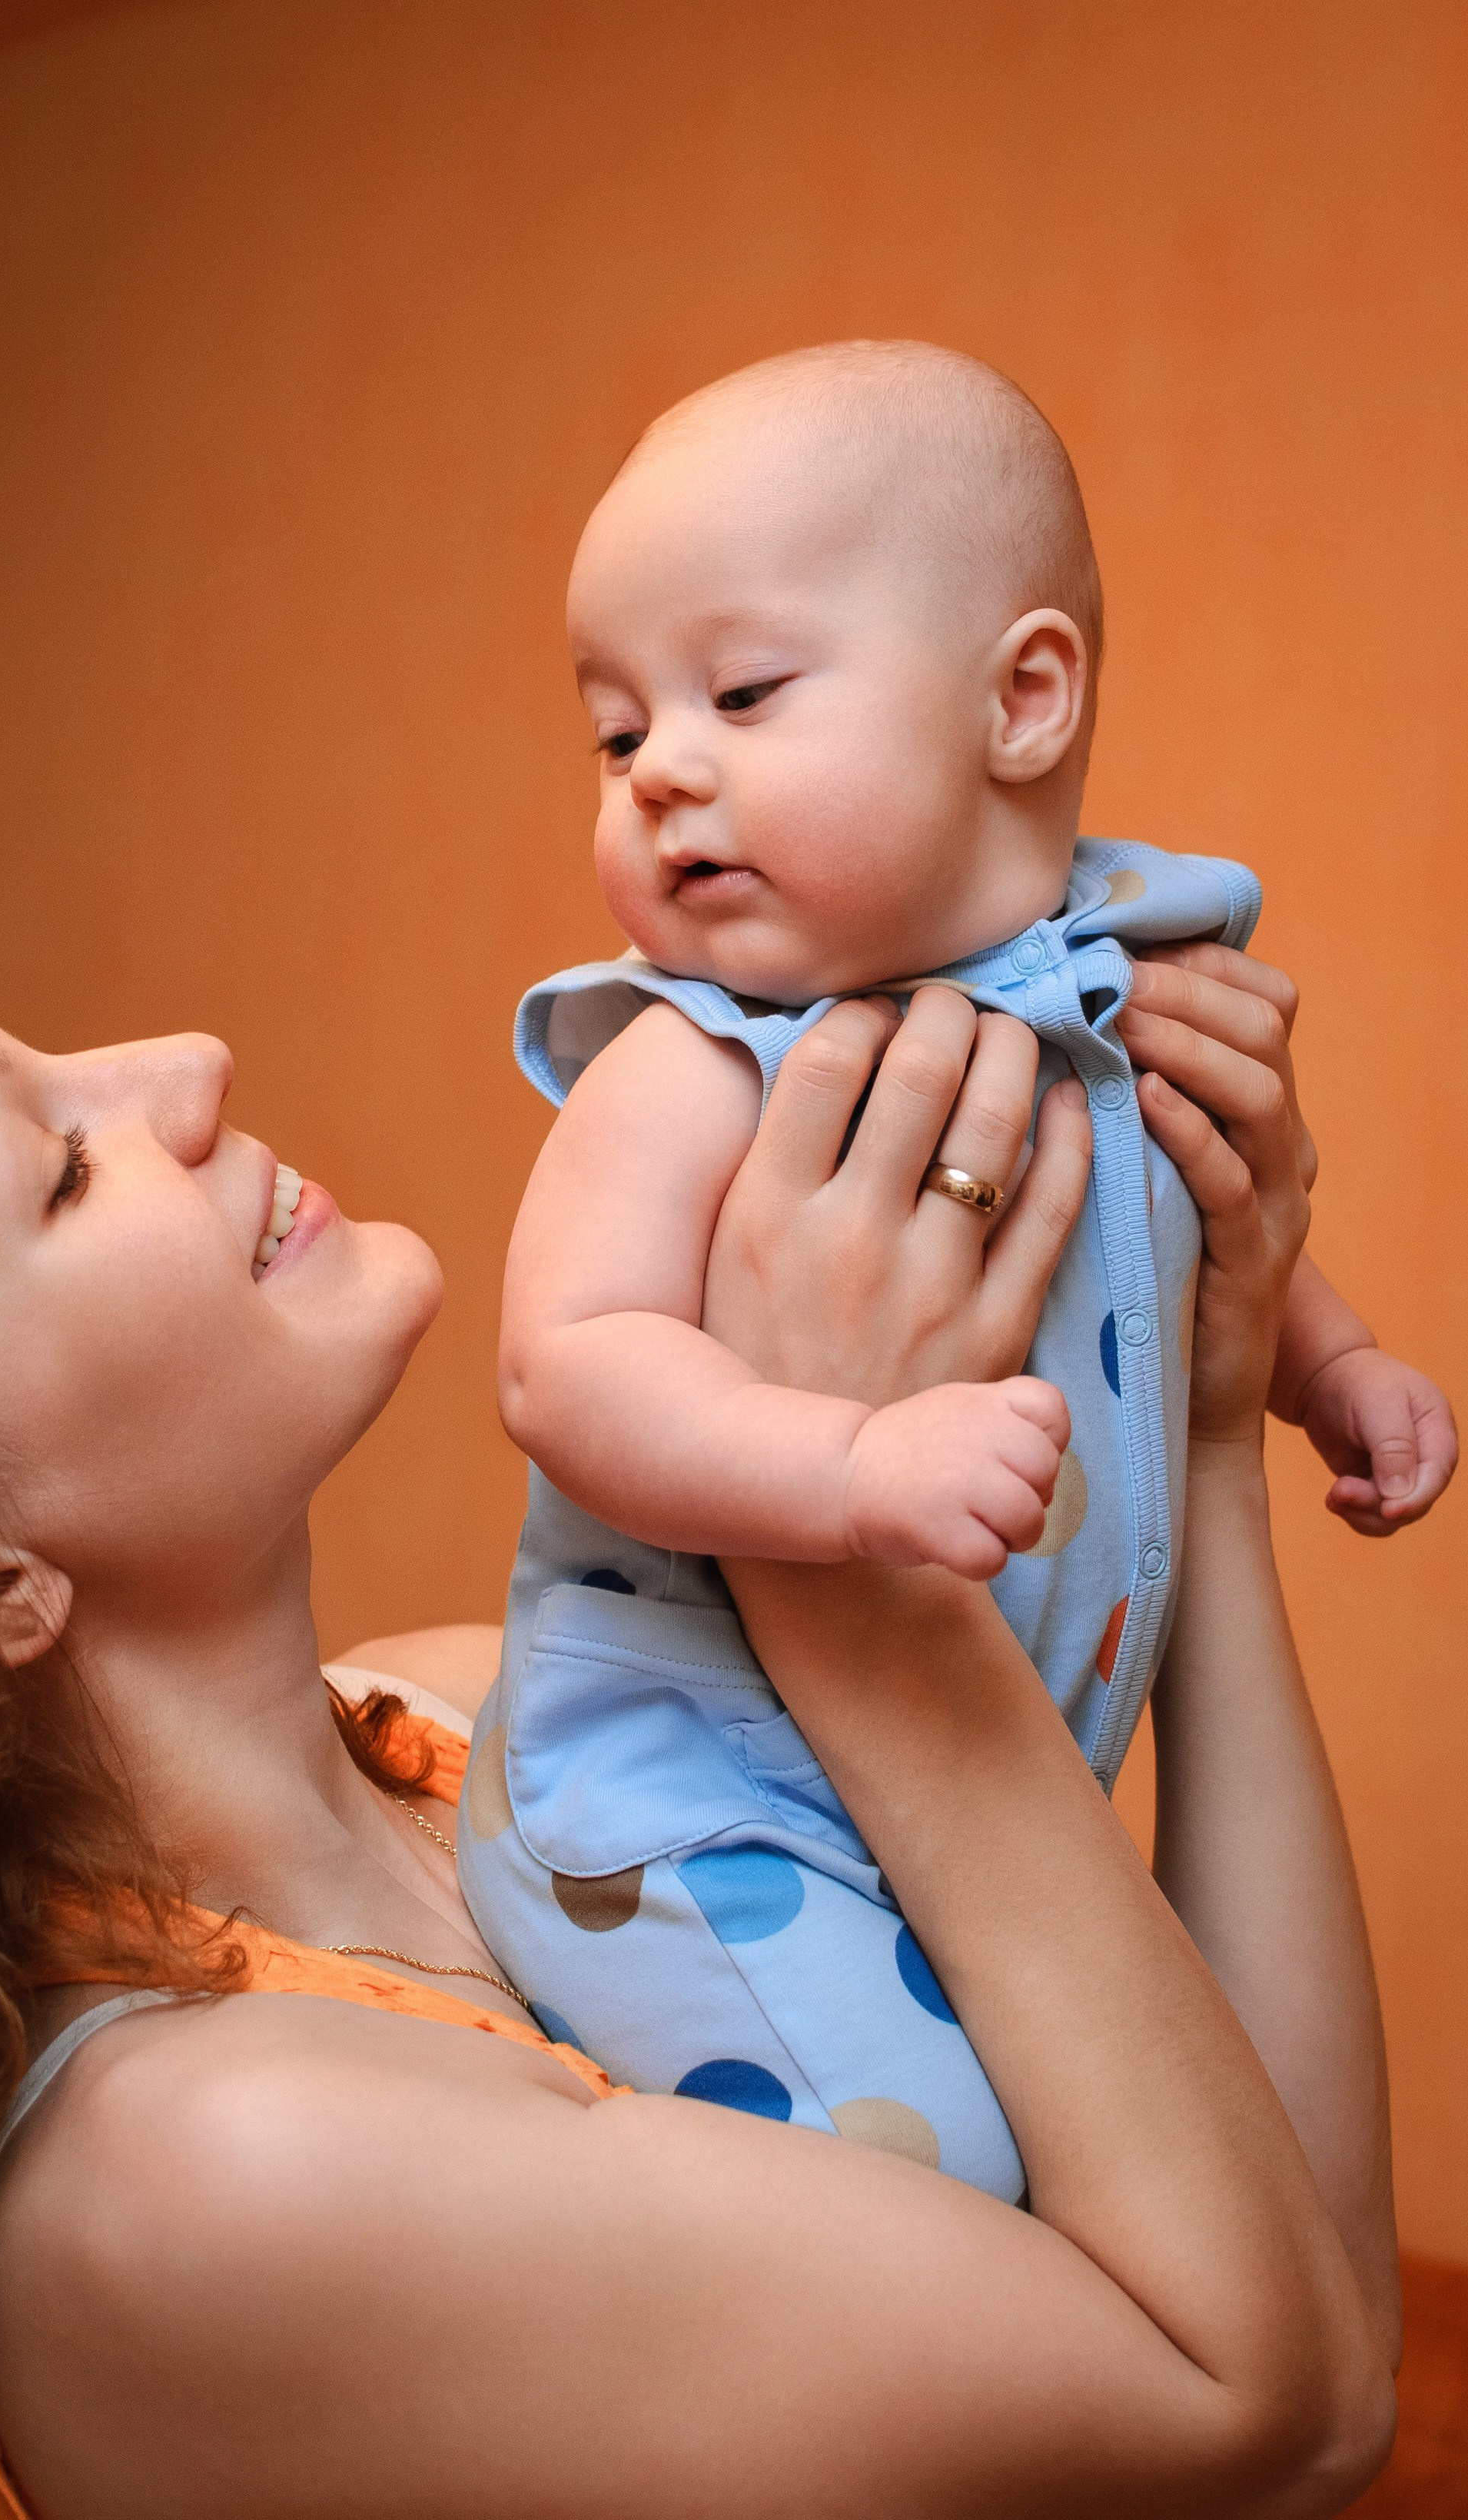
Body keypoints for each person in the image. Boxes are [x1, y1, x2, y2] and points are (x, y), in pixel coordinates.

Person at [0, 959, 1395, 2516]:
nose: (190, 1065)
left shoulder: (459, 1718)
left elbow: (1296, 2287)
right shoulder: (207, 2166)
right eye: (58, 1166)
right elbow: (1271, 2410)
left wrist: (1204, 1429)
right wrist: (820, 1551)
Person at [462, 340, 1456, 2147]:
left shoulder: (1113, 985)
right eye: (616, 732)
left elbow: (1188, 1219)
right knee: (991, 2184)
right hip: (709, 1805)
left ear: (1024, 701)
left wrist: (1330, 1365)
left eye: (742, 693)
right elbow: (566, 1362)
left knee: (1132, 2136)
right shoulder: (689, 1057)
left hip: (976, 1797)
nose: (660, 771)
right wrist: (841, 1459)